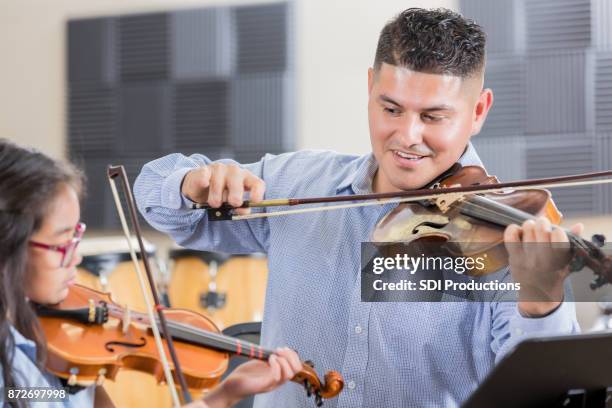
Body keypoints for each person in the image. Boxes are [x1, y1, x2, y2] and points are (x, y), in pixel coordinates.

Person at [134, 8, 582, 407]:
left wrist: (541, 301)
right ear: (370, 87)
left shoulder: (508, 238)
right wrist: (192, 184)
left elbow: (543, 391)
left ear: (478, 110)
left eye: (432, 117)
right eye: (391, 108)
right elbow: (153, 194)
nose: (407, 136)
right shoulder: (299, 183)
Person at [0, 138, 302, 408]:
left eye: (76, 236)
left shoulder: (59, 341)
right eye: (62, 242)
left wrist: (224, 396)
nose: (76, 256)